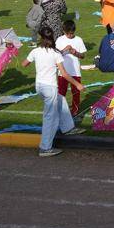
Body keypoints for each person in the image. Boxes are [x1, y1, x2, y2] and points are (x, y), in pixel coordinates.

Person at [28, 28, 76, 157]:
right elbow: (64, 74)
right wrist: (77, 84)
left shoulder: (36, 51)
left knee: (61, 100)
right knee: (51, 118)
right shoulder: (55, 53)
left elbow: (24, 63)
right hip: (50, 88)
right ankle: (45, 148)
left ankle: (68, 127)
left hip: (39, 87)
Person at [56, 18, 88, 115]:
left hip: (75, 71)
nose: (70, 35)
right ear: (63, 31)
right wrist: (65, 49)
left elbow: (83, 56)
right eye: (68, 33)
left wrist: (75, 52)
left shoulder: (78, 40)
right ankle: (60, 110)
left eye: (71, 33)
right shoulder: (60, 40)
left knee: (76, 92)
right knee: (61, 92)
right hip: (63, 71)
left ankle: (75, 111)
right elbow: (56, 55)